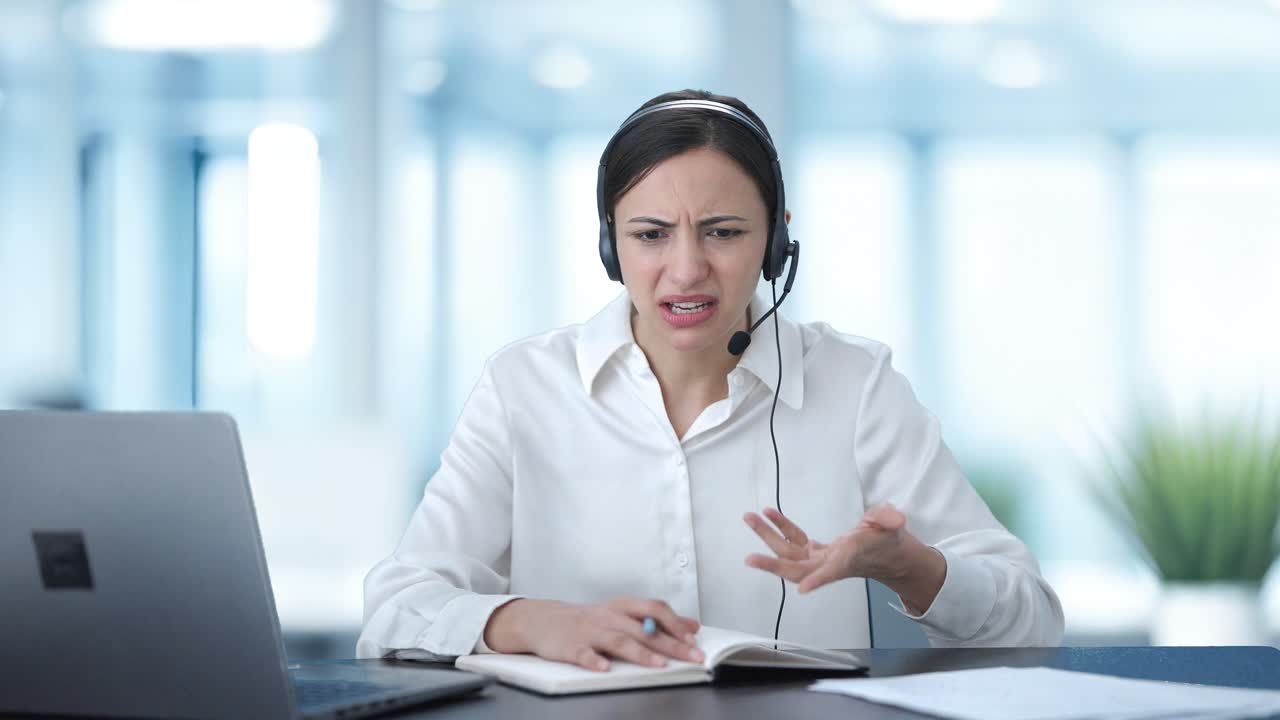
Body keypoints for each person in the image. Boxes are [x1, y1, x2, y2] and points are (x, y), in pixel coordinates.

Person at [357, 89, 1064, 672]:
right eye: (651, 234)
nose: (688, 268)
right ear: (610, 243)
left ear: (775, 243)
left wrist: (913, 567)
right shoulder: (523, 388)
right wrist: (528, 621)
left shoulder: (856, 384)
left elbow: (1030, 619)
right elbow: (395, 607)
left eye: (723, 232)